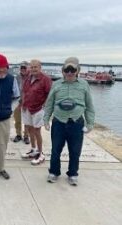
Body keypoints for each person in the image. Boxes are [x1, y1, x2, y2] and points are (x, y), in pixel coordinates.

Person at [44, 57, 95, 186]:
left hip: (77, 122)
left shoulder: (84, 84)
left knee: (75, 150)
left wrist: (90, 123)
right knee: (55, 149)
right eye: (67, 69)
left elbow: (89, 106)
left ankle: (73, 173)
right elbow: (49, 103)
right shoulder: (56, 84)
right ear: (63, 71)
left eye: (73, 70)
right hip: (58, 122)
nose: (70, 72)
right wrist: (46, 119)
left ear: (77, 70)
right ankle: (54, 172)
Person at [21, 59, 52, 165]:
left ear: (40, 67)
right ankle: (33, 149)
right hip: (27, 108)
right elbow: (24, 91)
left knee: (37, 131)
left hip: (38, 109)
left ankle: (40, 153)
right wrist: (23, 103)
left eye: (36, 67)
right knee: (29, 128)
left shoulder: (45, 79)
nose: (33, 69)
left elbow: (50, 93)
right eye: (32, 67)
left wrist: (45, 105)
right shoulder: (28, 78)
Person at [13, 61, 30, 144]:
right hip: (17, 101)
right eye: (22, 68)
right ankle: (18, 134)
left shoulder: (31, 77)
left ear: (28, 68)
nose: (23, 69)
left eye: (25, 68)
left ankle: (26, 136)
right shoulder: (17, 77)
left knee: (27, 120)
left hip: (28, 102)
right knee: (17, 119)